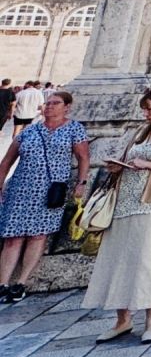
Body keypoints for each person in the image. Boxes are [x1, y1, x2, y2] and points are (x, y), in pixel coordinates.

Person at [83, 86, 151, 344]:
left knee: (145, 258)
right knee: (117, 257)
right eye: (144, 109)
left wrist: (149, 165)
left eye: (150, 108)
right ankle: (122, 320)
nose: (146, 113)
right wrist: (116, 166)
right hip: (124, 199)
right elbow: (128, 158)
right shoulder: (142, 131)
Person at [0, 89, 89, 302]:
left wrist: (81, 183)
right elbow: (7, 160)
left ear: (66, 106)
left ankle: (20, 283)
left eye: (55, 103)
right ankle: (2, 283)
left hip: (50, 191)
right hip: (20, 189)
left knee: (38, 236)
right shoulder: (30, 131)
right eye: (48, 103)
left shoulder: (74, 129)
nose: (49, 106)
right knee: (12, 237)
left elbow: (83, 157)